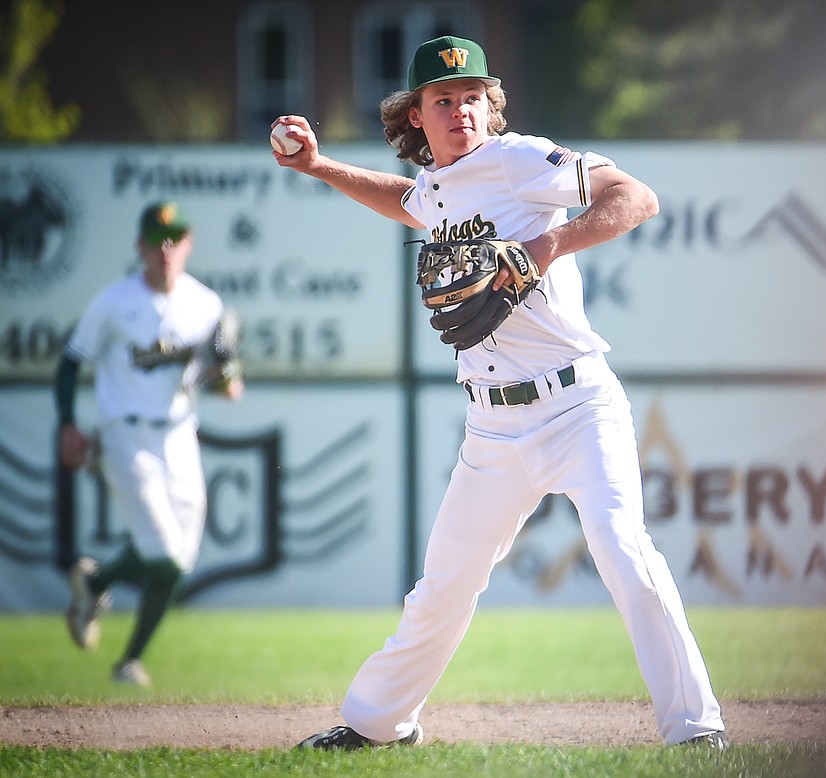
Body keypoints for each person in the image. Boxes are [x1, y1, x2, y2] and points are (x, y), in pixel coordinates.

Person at [272, 34, 727, 750]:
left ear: (492, 105)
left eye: (473, 97)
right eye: (443, 100)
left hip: (578, 406)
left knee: (622, 548)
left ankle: (696, 729)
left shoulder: (517, 160)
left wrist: (546, 246)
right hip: (493, 429)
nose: (462, 111)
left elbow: (635, 197)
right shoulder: (440, 185)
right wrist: (319, 165)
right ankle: (377, 724)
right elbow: (410, 199)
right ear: (416, 116)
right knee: (442, 588)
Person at [56, 201, 244, 687]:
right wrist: (67, 424)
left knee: (178, 563)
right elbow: (71, 360)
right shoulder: (115, 301)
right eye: (155, 238)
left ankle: (119, 639)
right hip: (125, 433)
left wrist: (227, 378)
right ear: (139, 245)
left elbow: (226, 375)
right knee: (161, 551)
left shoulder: (206, 304)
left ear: (188, 243)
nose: (165, 247)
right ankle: (99, 594)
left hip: (180, 433)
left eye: (175, 237)